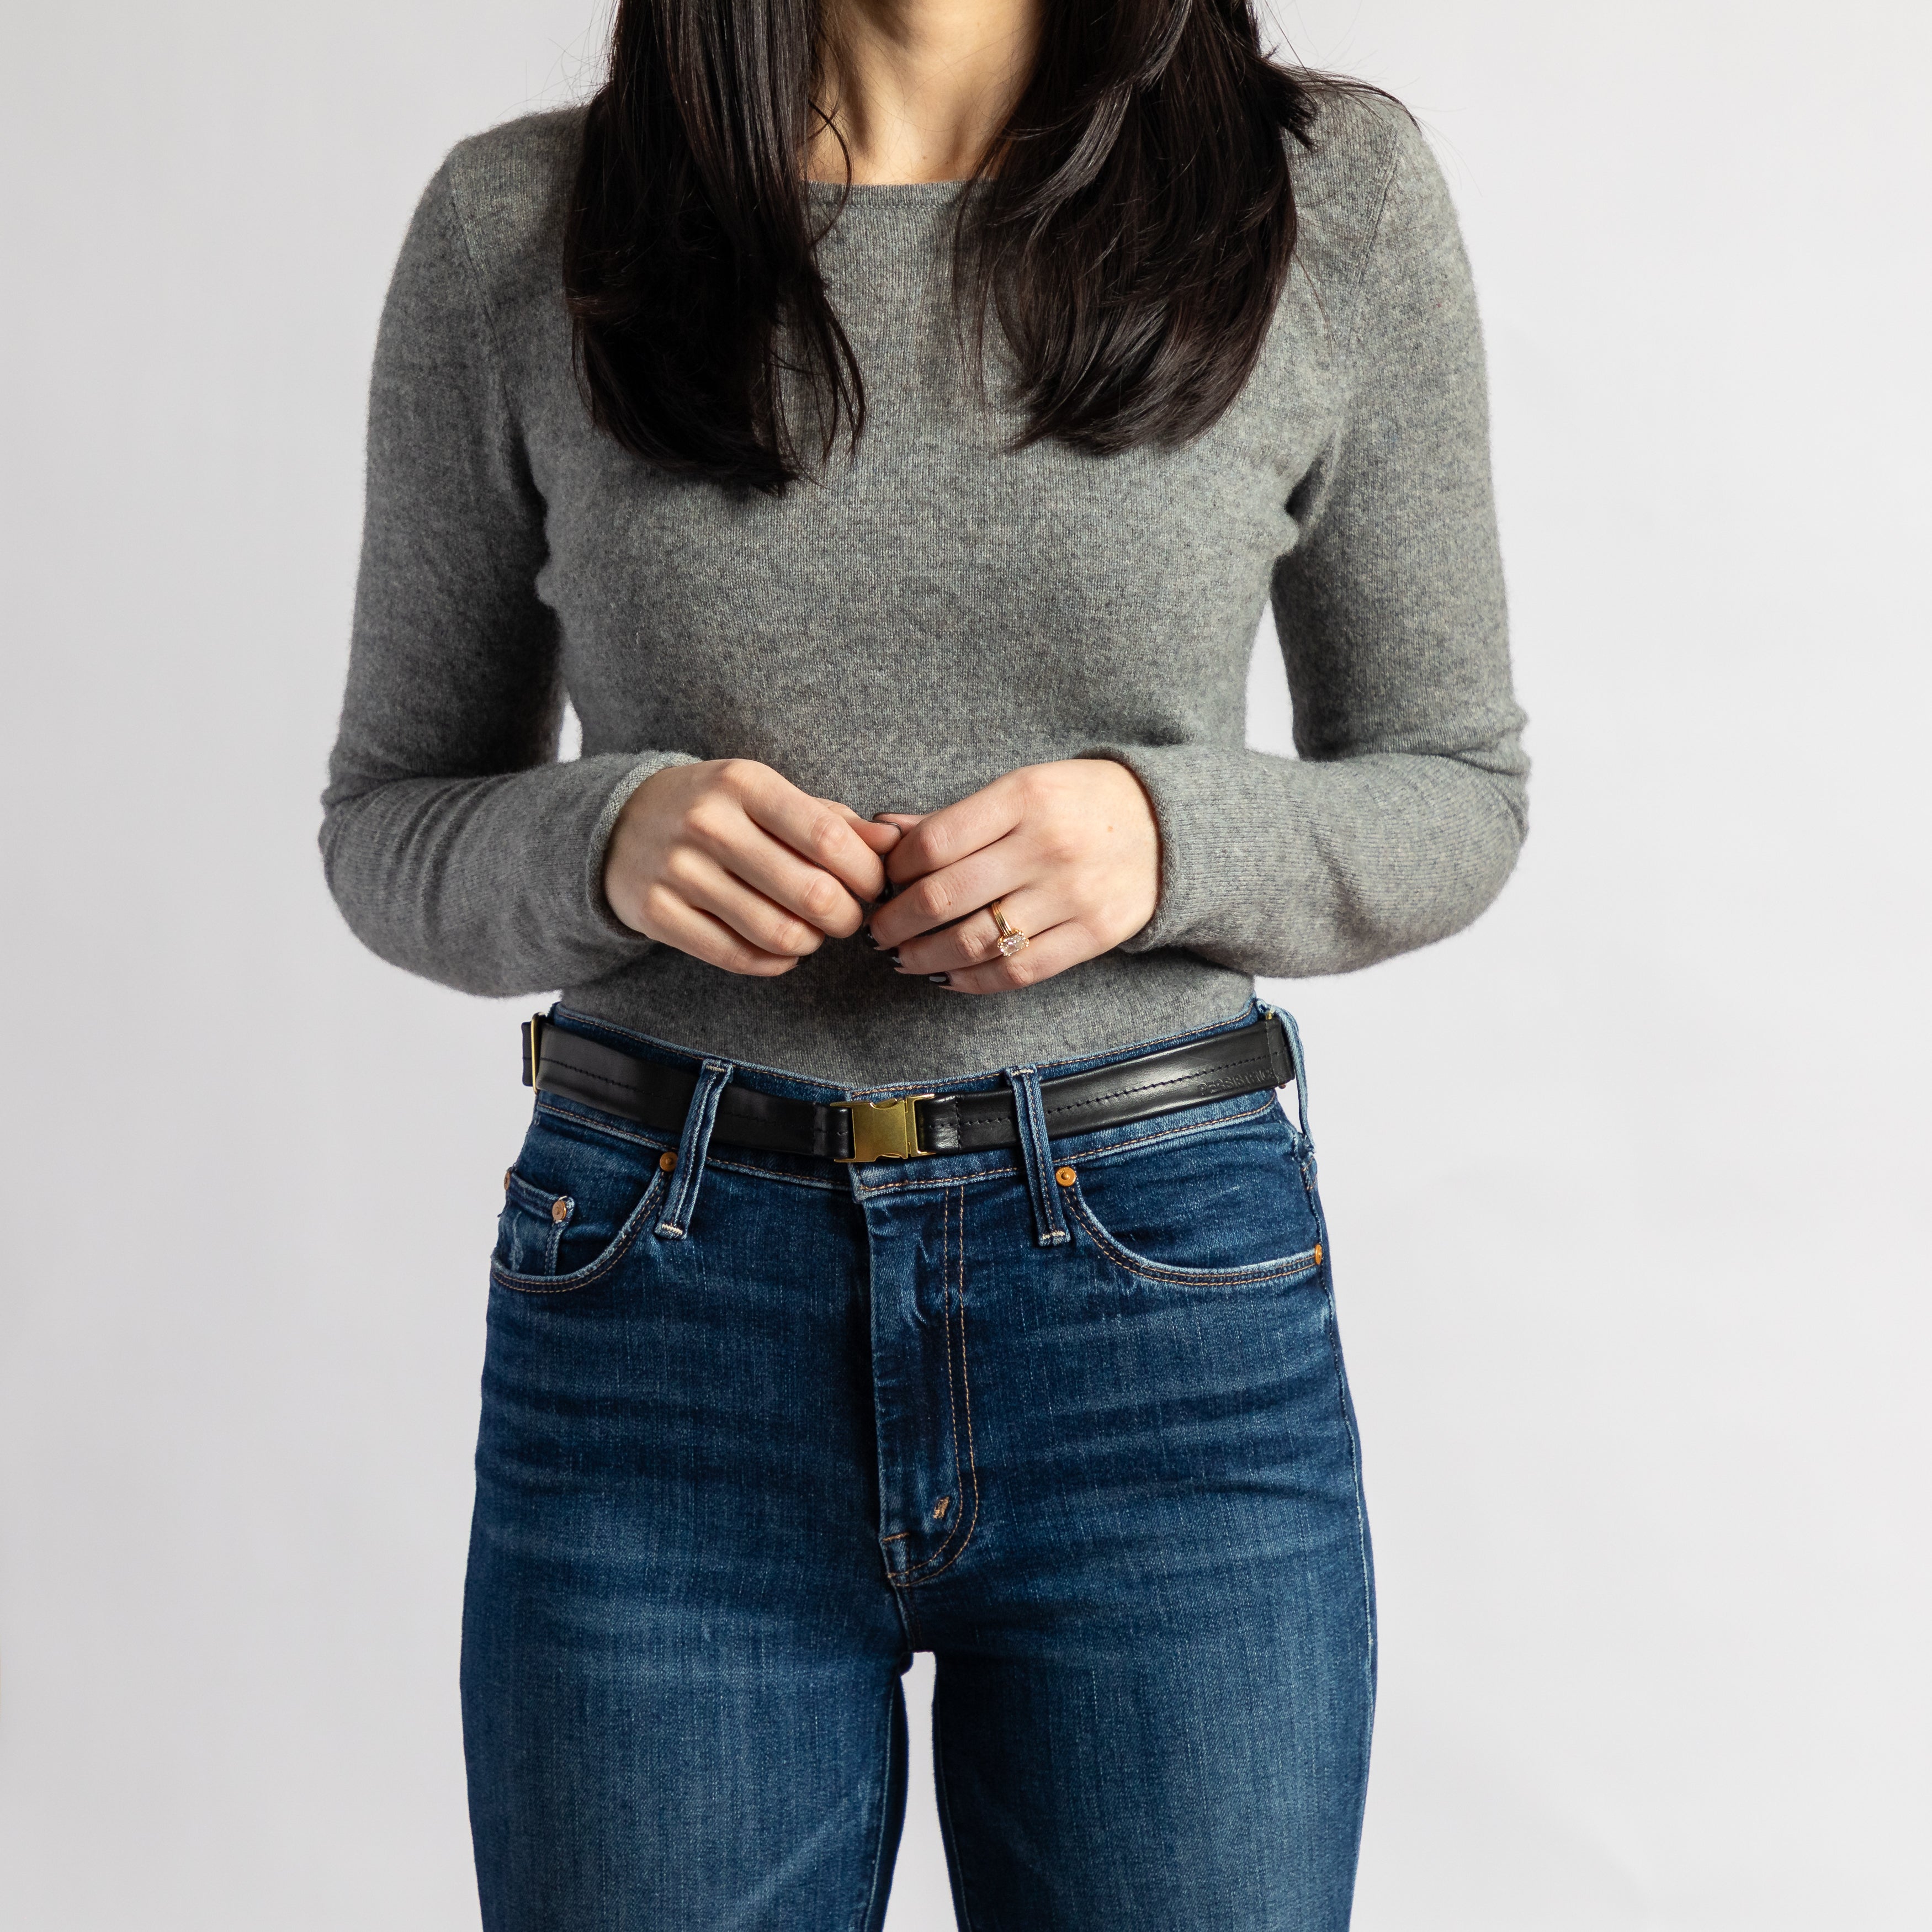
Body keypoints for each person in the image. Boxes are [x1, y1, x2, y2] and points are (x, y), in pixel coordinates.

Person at [321, 0, 1526, 1920]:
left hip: (1158, 1309)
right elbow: (389, 823)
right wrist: (601, 836)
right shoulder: (522, 228)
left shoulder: (1322, 197)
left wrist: (1164, 837)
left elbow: (1455, 789)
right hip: (661, 1304)